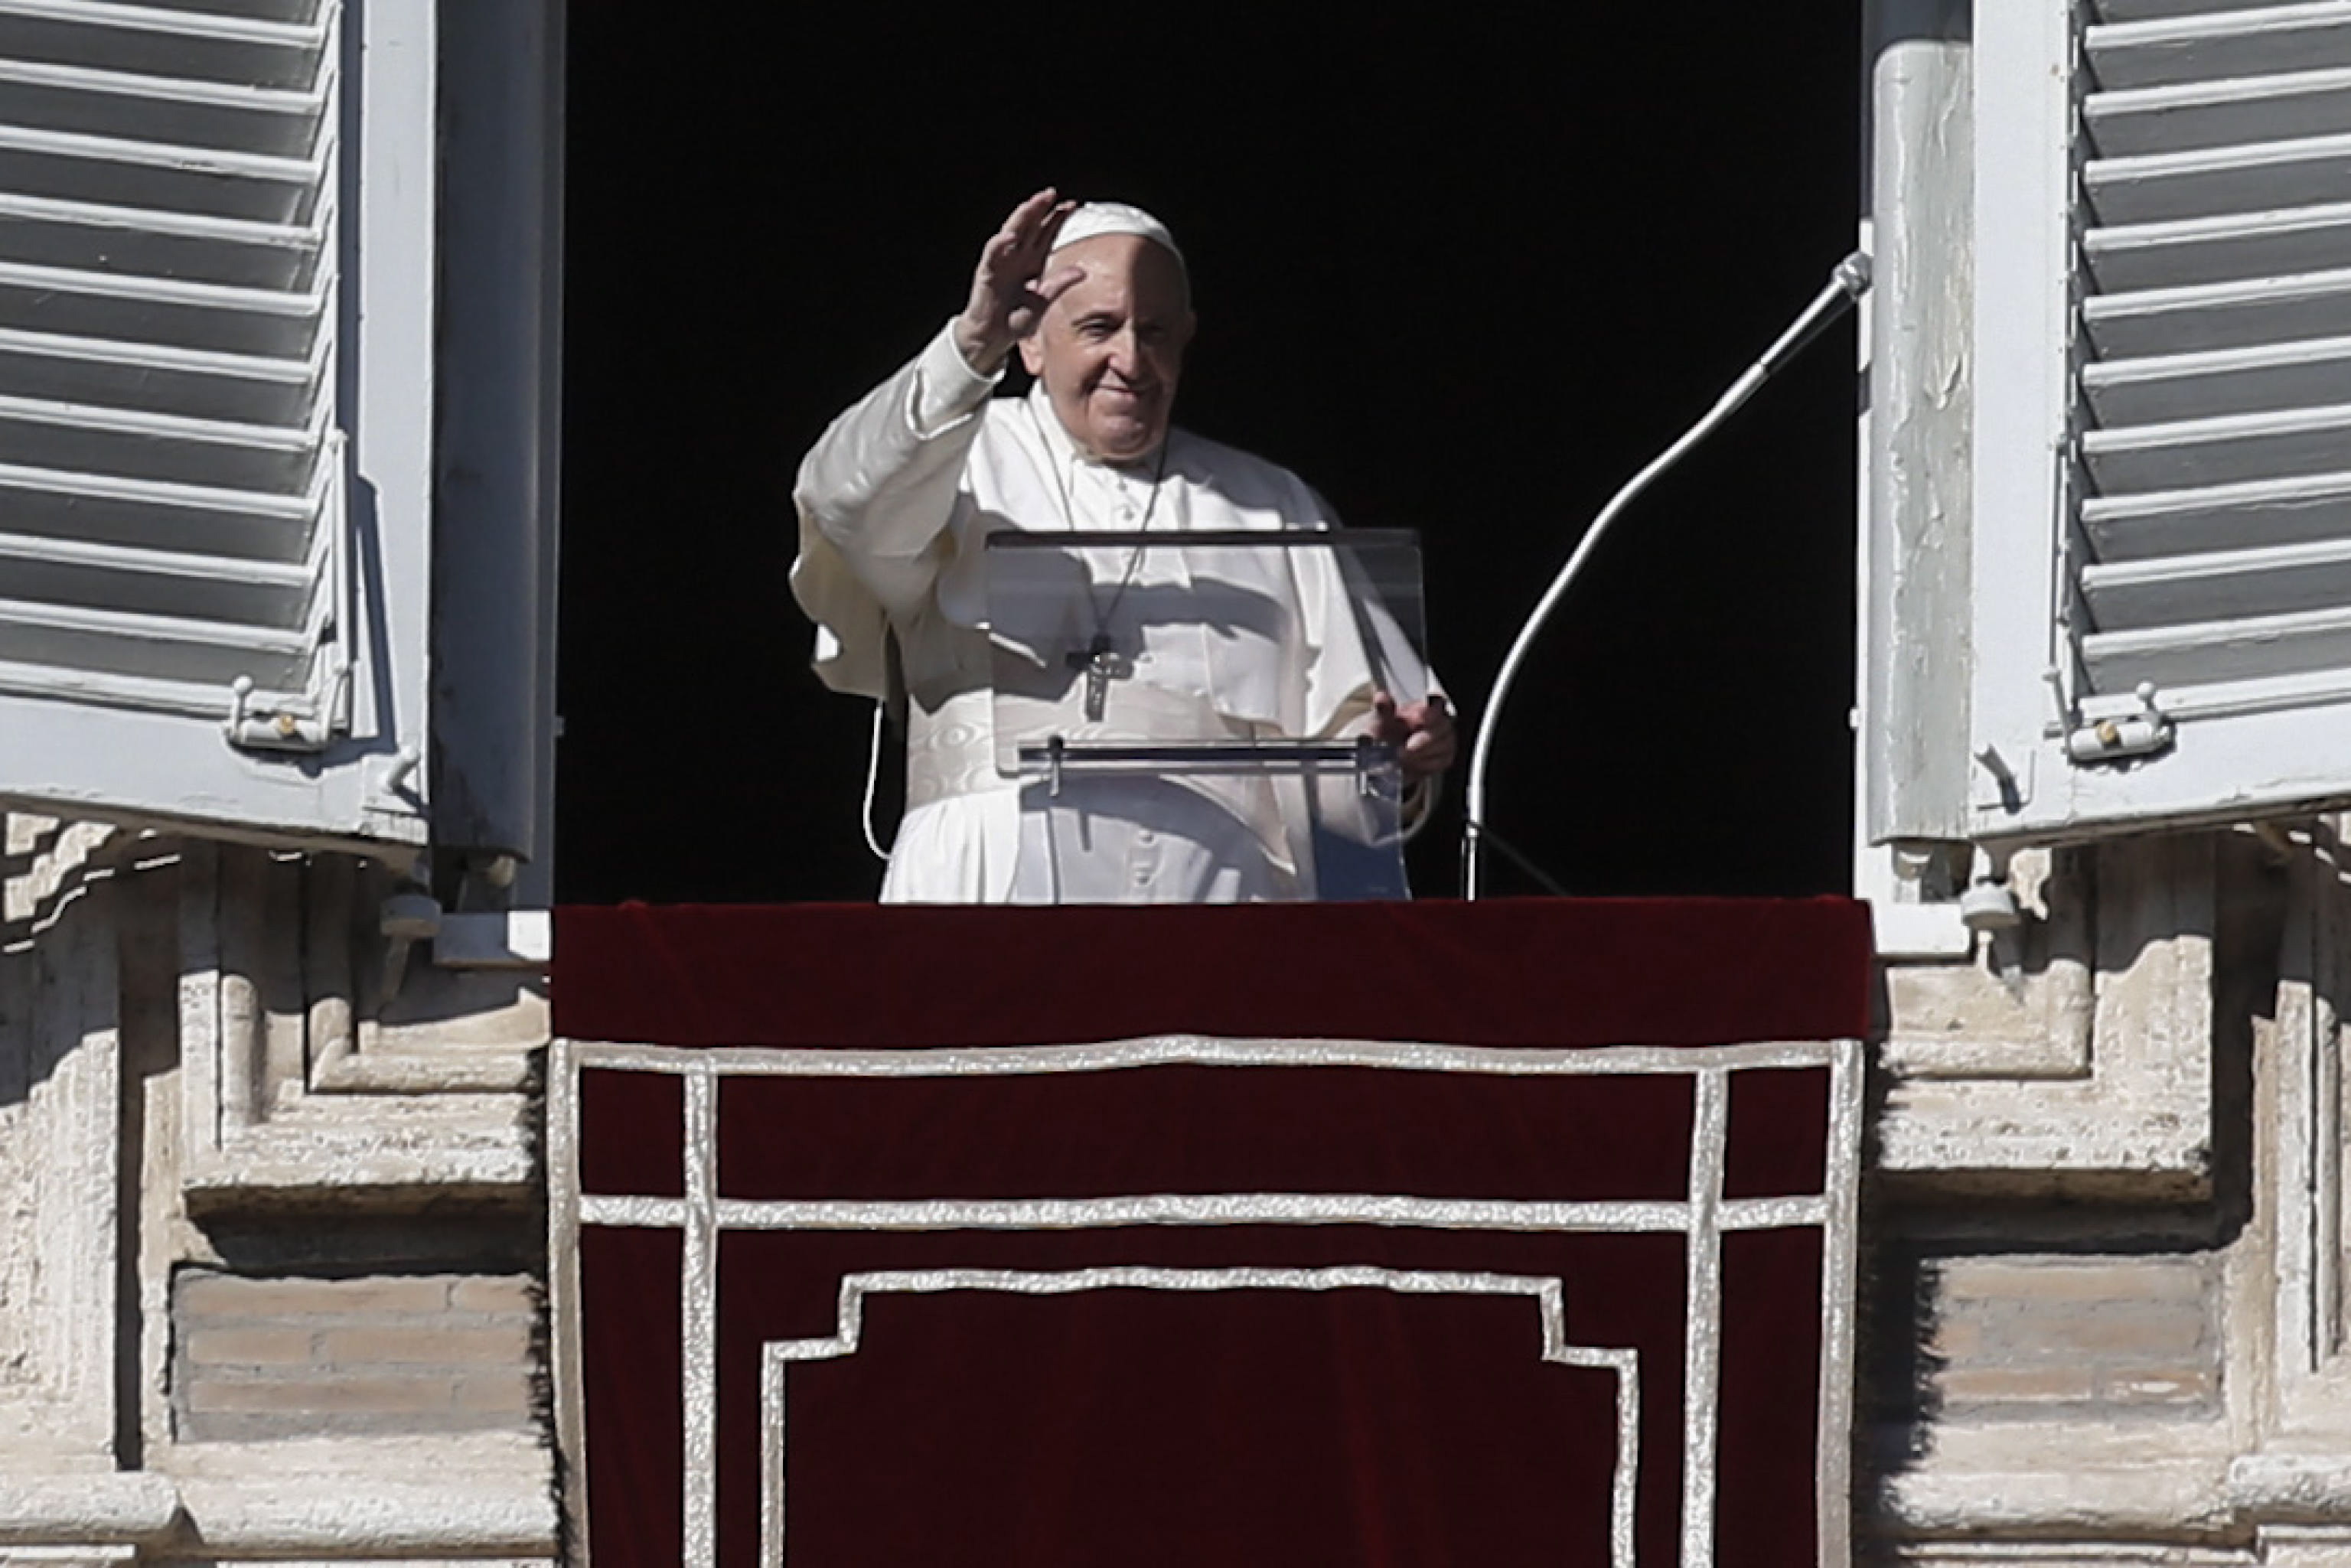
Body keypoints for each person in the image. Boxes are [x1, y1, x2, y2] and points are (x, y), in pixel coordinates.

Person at [792, 189, 1455, 902]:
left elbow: (1347, 781)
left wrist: (1389, 757)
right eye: (1099, 328)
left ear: (1188, 337)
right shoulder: (948, 460)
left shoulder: (1271, 503)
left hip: (1224, 906)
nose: (1130, 360)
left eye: (1157, 331)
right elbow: (844, 500)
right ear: (1031, 341)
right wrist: (969, 345)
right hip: (992, 892)